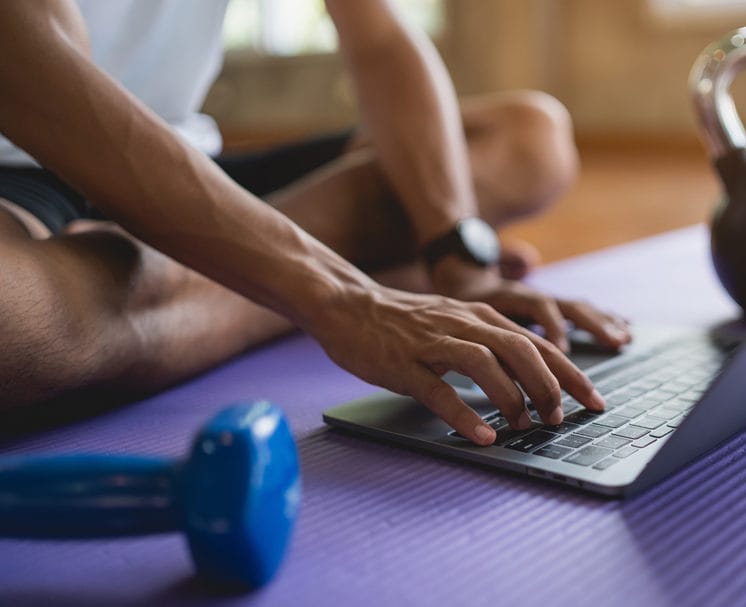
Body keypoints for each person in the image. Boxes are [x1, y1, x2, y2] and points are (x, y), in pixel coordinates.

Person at [0, 0, 632, 445]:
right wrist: (343, 297)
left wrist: (455, 256)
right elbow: (39, 78)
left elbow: (382, 41)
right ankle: (306, 274)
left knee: (526, 140)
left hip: (187, 156)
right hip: (25, 161)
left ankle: (157, 291)